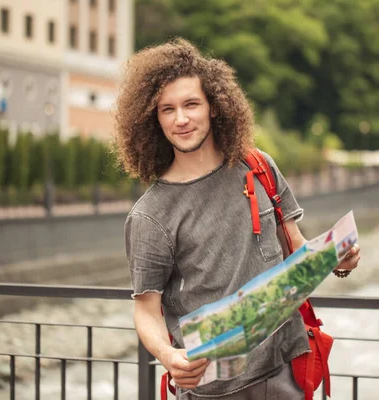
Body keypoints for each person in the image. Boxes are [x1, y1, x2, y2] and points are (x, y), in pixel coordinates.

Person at [114, 38, 360, 399]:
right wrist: (169, 355)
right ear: (154, 119)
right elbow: (146, 310)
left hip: (285, 372)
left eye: (191, 104)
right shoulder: (149, 216)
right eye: (168, 109)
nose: (181, 119)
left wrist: (339, 261)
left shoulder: (258, 166)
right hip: (211, 389)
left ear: (213, 106)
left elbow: (297, 253)